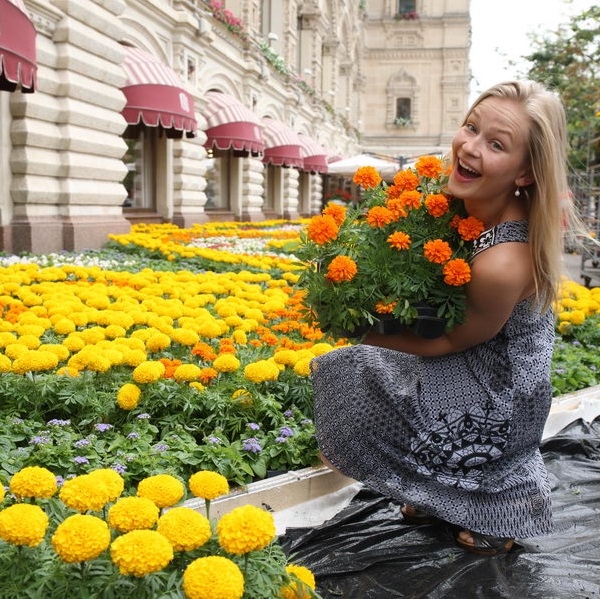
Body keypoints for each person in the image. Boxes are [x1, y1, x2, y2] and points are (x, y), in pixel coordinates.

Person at [310, 80, 575, 556]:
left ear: (527, 172)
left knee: (355, 371)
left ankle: (499, 504)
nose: (469, 147)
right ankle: (440, 495)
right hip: (476, 356)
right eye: (471, 127)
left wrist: (364, 328)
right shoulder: (465, 205)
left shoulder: (502, 262)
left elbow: (450, 341)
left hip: (501, 390)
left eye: (496, 144)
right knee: (364, 371)